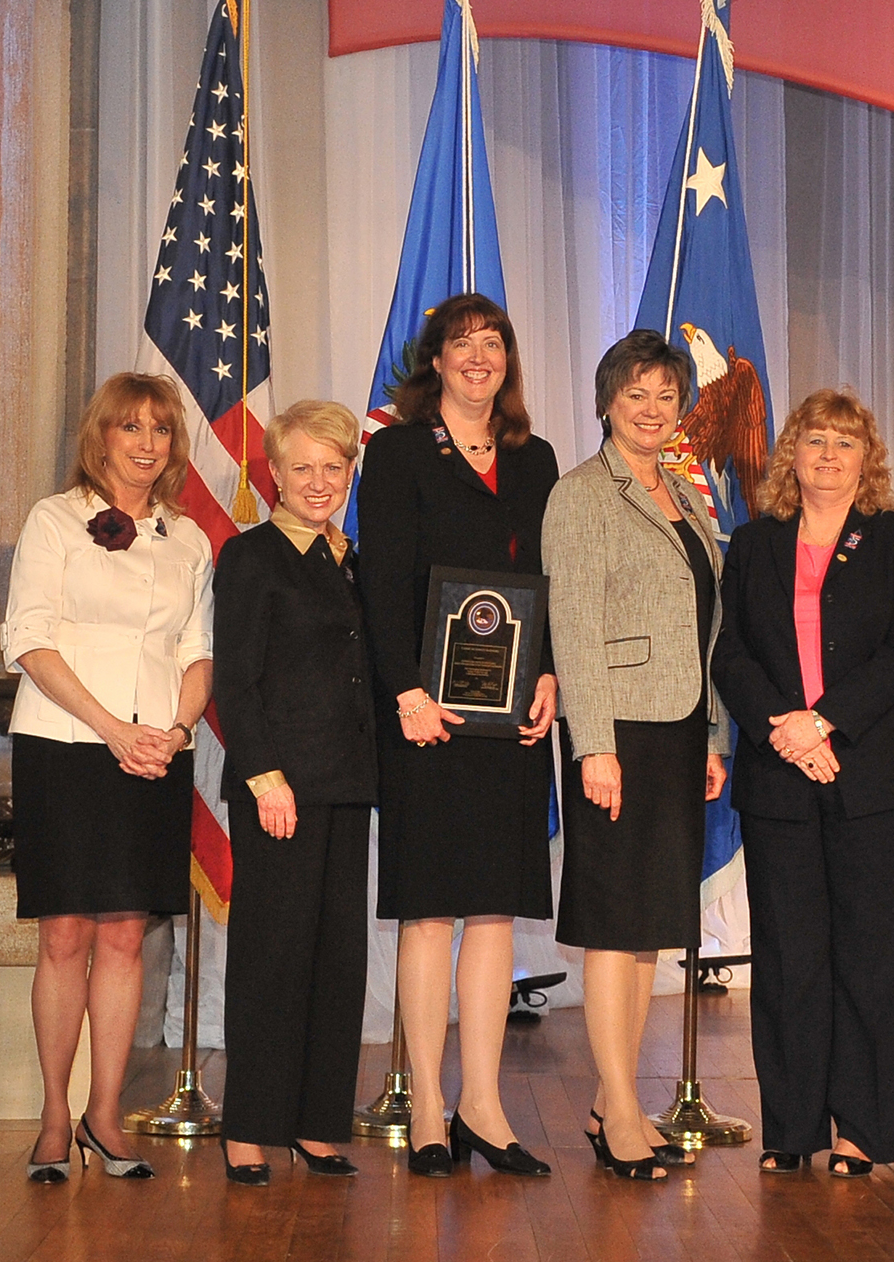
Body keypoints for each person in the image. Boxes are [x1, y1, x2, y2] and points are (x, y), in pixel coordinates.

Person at [711, 387, 894, 1179]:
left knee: (875, 962)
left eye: (845, 443)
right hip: (780, 780)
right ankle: (792, 1126)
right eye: (814, 442)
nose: (829, 457)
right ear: (791, 456)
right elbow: (730, 655)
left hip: (879, 781)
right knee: (789, 959)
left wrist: (825, 722)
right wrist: (787, 727)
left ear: (866, 458)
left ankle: (863, 1131)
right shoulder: (753, 544)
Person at [356, 294, 558, 1179]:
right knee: (431, 909)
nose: (479, 357)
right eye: (462, 344)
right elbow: (383, 580)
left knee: (494, 911)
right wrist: (403, 688)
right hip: (425, 716)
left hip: (510, 719)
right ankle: (430, 1108)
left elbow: (549, 582)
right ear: (433, 361)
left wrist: (549, 672)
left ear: (508, 363)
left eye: (494, 344)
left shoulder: (536, 458)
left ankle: (484, 1103)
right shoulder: (397, 452)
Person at [0, 372, 214, 1182]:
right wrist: (111, 728)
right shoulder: (55, 520)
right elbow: (28, 637)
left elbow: (198, 652)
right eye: (131, 427)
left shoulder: (188, 537)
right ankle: (55, 1117)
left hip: (157, 751)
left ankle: (106, 1113)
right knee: (65, 935)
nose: (146, 443)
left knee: (128, 935)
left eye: (160, 430)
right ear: (103, 437)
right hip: (66, 744)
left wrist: (176, 729)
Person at [543, 329, 729, 1182]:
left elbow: (708, 630)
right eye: (636, 396)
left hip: (679, 730)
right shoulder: (581, 494)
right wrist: (594, 747)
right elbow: (573, 628)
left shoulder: (685, 495)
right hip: (615, 734)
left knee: (650, 922)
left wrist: (714, 734)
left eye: (666, 396)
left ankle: (608, 1098)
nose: (652, 410)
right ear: (606, 402)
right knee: (615, 925)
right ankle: (617, 1105)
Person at [212, 400, 378, 1186]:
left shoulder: (352, 560)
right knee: (270, 958)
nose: (319, 482)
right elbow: (235, 683)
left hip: (347, 784)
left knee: (337, 960)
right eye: (302, 467)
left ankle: (317, 1124)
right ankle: (247, 1127)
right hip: (278, 787)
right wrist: (262, 773)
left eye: (333, 467)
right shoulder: (250, 558)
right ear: (273, 473)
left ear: (350, 472)